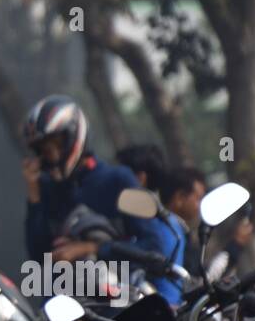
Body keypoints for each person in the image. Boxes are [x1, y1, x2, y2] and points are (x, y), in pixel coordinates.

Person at [22, 95, 185, 304]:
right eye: (44, 151)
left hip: (119, 307)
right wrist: (34, 195)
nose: (51, 156)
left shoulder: (117, 180)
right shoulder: (48, 189)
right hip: (67, 308)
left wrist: (92, 248)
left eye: (56, 146)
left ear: (73, 138)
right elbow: (38, 256)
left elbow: (154, 247)